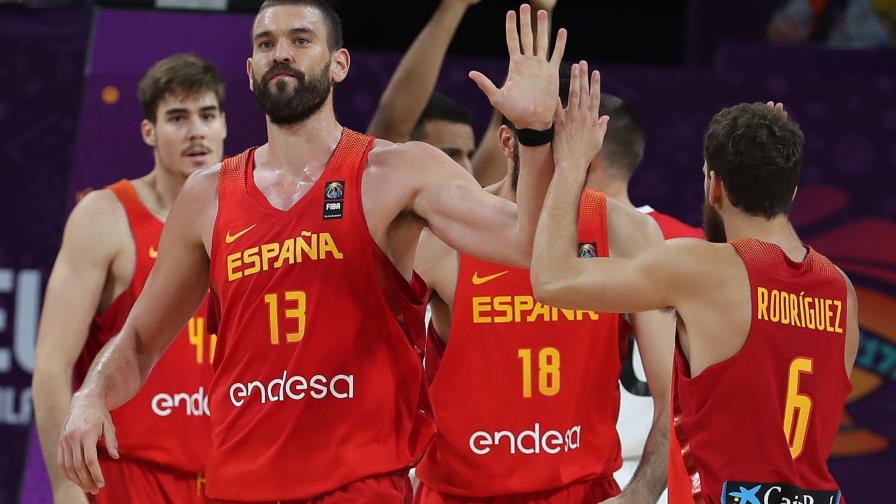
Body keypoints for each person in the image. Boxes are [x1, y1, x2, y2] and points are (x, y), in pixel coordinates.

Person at [59, 1, 567, 502]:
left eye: (301, 40)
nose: (282, 53)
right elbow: (140, 341)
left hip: (360, 487)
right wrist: (91, 395)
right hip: (240, 490)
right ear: (251, 69)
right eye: (266, 44)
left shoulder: (398, 172)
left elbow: (528, 242)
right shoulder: (207, 195)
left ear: (339, 63)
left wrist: (536, 136)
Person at [530, 96, 859, 504]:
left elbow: (552, 280)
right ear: (791, 188)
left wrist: (569, 167)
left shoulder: (702, 269)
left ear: (715, 185)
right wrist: (772, 156)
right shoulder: (839, 288)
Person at [414, 62, 673, 503]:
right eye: (537, 138)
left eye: (566, 144)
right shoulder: (442, 237)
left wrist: (641, 495)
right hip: (461, 492)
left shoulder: (627, 235)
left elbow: (677, 396)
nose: (556, 159)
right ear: (507, 142)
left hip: (584, 492)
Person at [32, 53, 227, 503]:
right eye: (177, 117)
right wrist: (65, 488)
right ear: (149, 132)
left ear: (224, 126)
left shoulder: (251, 224)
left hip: (226, 481)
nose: (196, 130)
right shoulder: (104, 217)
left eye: (207, 115)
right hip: (125, 479)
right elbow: (50, 368)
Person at [588, 94, 699, 502]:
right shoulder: (697, 248)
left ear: (589, 156)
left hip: (606, 476)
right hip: (667, 475)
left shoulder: (543, 249)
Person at [366, 0, 557, 183]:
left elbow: (508, 123)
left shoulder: (474, 196)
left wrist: (541, 12)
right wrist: (454, 5)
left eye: (468, 155)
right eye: (450, 154)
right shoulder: (387, 189)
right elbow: (394, 122)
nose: (467, 167)